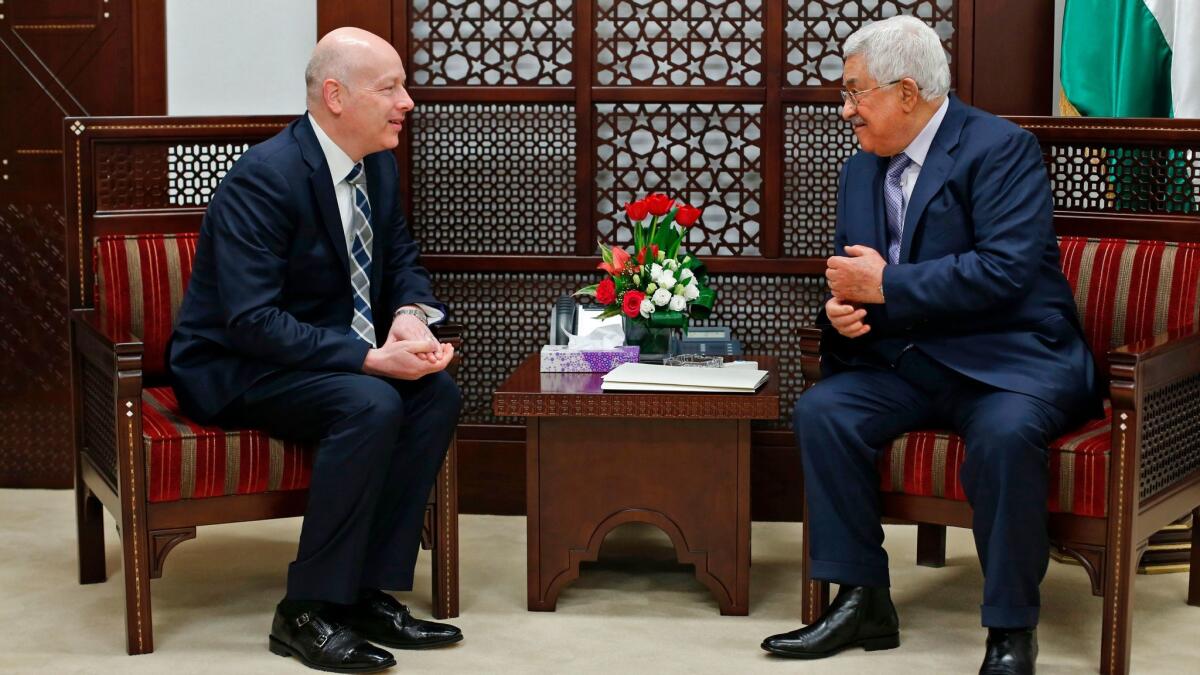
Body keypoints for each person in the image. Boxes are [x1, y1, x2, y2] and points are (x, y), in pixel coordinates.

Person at [759, 15, 1100, 675]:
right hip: (912, 360)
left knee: (1003, 437)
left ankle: (1009, 631)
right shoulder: (860, 168)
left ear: (906, 92)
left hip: (1009, 360)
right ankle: (862, 599)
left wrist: (884, 289)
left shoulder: (1001, 149)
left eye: (856, 92)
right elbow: (855, 273)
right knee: (826, 411)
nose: (846, 109)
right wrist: (843, 311)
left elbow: (1006, 270)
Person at [168, 27, 463, 674]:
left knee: (436, 391)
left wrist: (410, 318)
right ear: (336, 95)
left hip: (318, 352)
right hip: (239, 364)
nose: (407, 101)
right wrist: (368, 359)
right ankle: (304, 609)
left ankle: (362, 593)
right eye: (391, 88)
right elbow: (250, 320)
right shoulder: (265, 179)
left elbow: (401, 259)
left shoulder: (375, 163)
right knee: (370, 402)